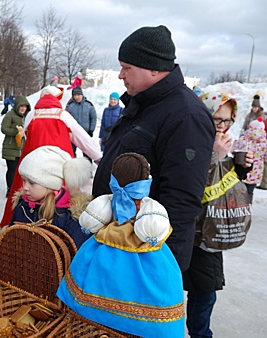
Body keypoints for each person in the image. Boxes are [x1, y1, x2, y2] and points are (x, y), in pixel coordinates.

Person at [92, 25, 215, 272]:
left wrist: (160, 266)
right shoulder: (145, 104)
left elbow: (181, 200)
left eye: (127, 68)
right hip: (121, 243)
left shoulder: (186, 115)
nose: (120, 75)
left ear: (154, 68)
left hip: (144, 255)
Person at [58, 153, 185, 338]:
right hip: (134, 242)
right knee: (157, 285)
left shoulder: (138, 205)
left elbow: (95, 217)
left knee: (95, 275)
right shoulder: (125, 201)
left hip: (112, 239)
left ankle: (95, 317)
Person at [183, 91, 253, 338]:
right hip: (192, 232)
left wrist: (239, 169)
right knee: (199, 291)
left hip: (210, 233)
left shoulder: (219, 143)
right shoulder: (189, 139)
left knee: (205, 291)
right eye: (217, 120)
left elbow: (219, 186)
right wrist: (215, 156)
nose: (223, 127)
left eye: (227, 120)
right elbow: (190, 185)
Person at [0, 85, 102, 232]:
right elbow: (82, 138)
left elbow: (27, 136)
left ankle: (16, 230)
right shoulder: (62, 115)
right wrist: (99, 158)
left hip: (32, 165)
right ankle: (58, 234)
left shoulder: (32, 115)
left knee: (26, 196)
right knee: (61, 201)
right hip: (57, 167)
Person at [11, 146, 93, 248]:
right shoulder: (22, 206)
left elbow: (76, 252)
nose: (25, 187)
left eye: (32, 183)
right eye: (24, 180)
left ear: (50, 185)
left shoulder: (68, 217)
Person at [1, 95, 31, 197]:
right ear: (17, 106)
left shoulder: (28, 116)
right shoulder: (10, 115)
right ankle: (10, 189)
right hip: (10, 147)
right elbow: (4, 128)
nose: (23, 108)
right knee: (12, 169)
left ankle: (19, 188)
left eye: (25, 106)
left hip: (22, 148)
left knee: (21, 170)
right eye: (21, 106)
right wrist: (16, 132)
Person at [233, 117, 267, 203]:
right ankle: (247, 212)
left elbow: (234, 151)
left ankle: (238, 210)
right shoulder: (264, 142)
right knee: (250, 193)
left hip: (243, 169)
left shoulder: (244, 139)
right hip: (256, 173)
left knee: (238, 192)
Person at [65, 86, 97, 159]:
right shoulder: (70, 106)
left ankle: (88, 167)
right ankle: (73, 166)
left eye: (78, 95)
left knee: (87, 153)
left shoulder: (89, 105)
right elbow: (66, 119)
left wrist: (91, 130)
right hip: (73, 134)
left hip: (85, 133)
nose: (77, 97)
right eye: (75, 95)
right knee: (72, 152)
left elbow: (93, 118)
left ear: (82, 95)